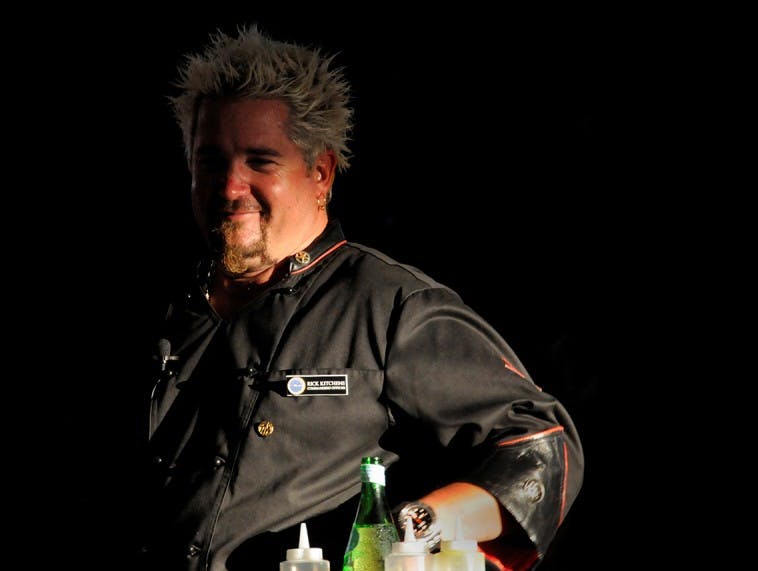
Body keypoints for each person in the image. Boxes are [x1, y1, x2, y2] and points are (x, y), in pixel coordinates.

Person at [141, 25, 583, 571]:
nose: (230, 187)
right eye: (211, 161)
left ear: (320, 173)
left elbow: (541, 447)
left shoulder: (393, 307)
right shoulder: (162, 308)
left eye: (260, 161)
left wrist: (417, 527)